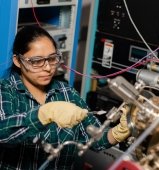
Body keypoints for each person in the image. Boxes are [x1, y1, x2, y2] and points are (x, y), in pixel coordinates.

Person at [0, 25, 130, 170]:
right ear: (18, 61)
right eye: (37, 61)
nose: (48, 68)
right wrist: (43, 114)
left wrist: (119, 132)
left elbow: (94, 139)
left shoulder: (66, 92)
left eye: (52, 58)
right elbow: (3, 133)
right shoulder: (5, 91)